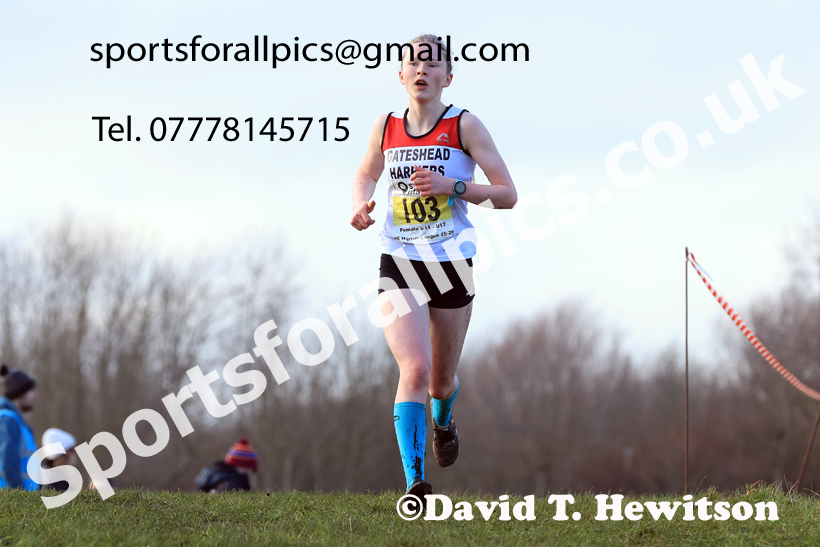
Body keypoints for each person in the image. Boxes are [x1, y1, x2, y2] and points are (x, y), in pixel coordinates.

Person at [350, 34, 517, 500]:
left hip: (450, 261)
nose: (421, 71)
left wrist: (453, 187)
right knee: (415, 369)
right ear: (400, 74)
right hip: (399, 257)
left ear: (447, 77)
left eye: (432, 64)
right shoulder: (385, 126)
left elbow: (507, 194)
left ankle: (444, 423)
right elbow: (366, 172)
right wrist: (361, 202)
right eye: (412, 63)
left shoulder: (465, 126)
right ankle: (414, 483)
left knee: (441, 380)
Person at [0, 363, 39, 490]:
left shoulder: (15, 421)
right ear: (20, 392)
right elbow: (8, 463)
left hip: (24, 504)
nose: (35, 396)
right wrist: (20, 500)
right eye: (31, 390)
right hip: (15, 506)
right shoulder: (7, 420)